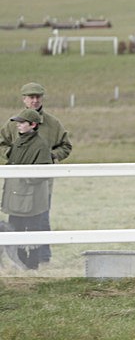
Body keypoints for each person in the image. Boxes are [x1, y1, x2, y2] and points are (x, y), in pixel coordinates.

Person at [0, 82, 73, 264]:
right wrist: (14, 155)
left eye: (37, 97)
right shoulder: (13, 124)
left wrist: (50, 156)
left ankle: (42, 257)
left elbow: (66, 146)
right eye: (31, 97)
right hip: (17, 183)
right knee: (15, 220)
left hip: (41, 182)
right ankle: (14, 257)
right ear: (24, 99)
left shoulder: (53, 124)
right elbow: (2, 144)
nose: (34, 100)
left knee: (41, 218)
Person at [1, 109, 53, 270]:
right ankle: (20, 263)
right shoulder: (18, 142)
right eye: (18, 122)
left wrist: (24, 178)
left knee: (32, 231)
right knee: (14, 230)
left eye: (22, 123)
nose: (18, 125)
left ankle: (32, 265)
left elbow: (44, 171)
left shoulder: (40, 145)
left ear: (33, 125)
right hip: (16, 196)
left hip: (31, 198)